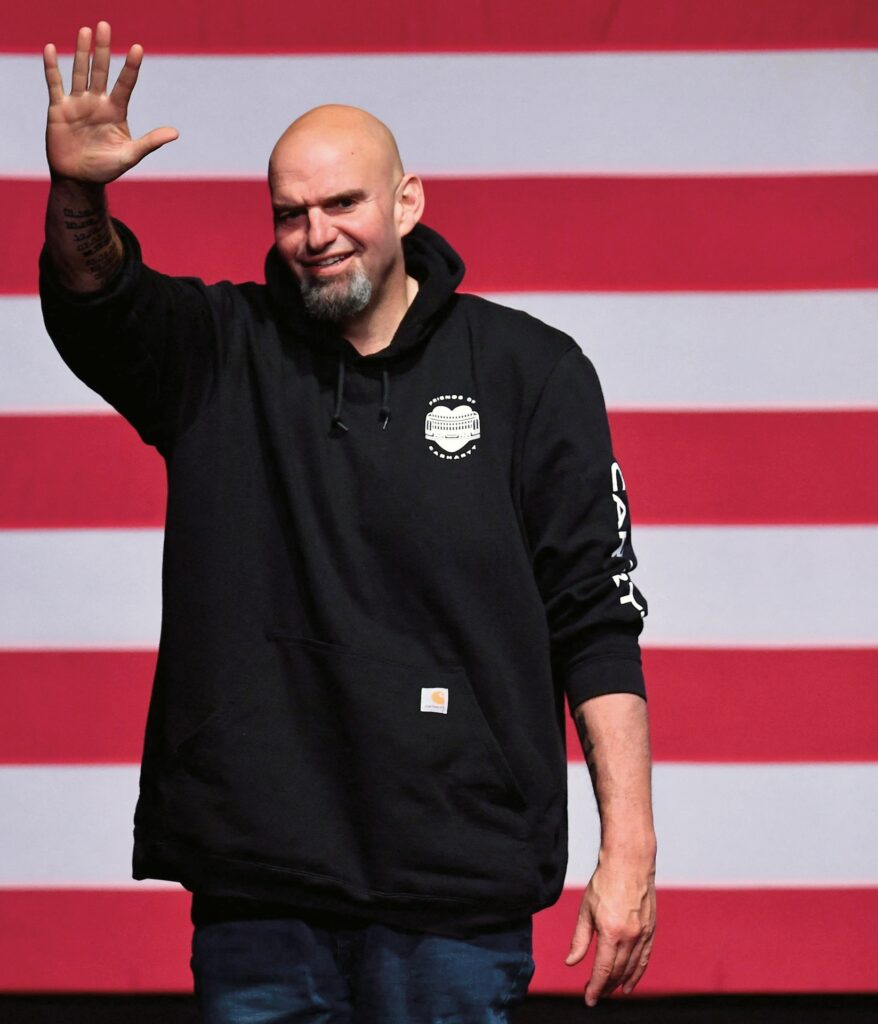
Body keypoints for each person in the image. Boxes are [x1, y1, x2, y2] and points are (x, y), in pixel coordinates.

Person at [39, 21, 657, 1023]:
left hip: (456, 893)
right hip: (259, 887)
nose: (315, 233)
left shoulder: (532, 372)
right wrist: (78, 194)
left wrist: (628, 849)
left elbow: (595, 620)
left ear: (406, 203)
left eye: (342, 204)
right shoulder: (215, 353)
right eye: (290, 213)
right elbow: (96, 296)